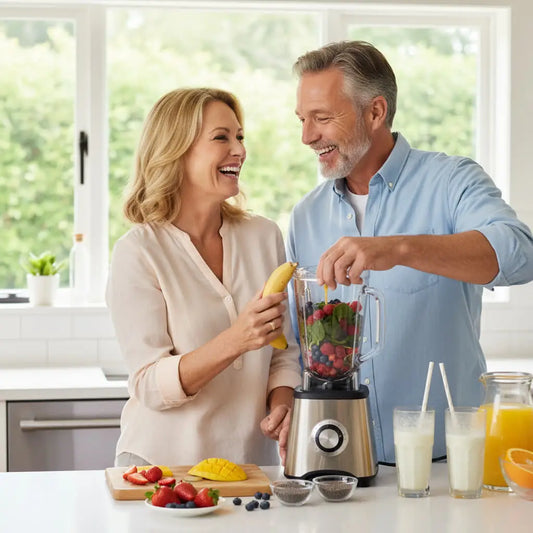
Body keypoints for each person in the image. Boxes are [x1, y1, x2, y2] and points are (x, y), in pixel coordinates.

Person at [286, 41, 533, 464]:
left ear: (376, 112)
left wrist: (400, 248)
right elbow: (299, 345)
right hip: (340, 466)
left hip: (448, 468)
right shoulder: (306, 216)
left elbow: (520, 253)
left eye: (322, 118)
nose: (308, 136)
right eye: (303, 120)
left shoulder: (452, 180)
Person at [106, 87, 301, 468]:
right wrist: (236, 339)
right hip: (159, 469)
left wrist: (283, 404)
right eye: (221, 138)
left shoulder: (263, 237)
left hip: (248, 468)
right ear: (177, 150)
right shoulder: (139, 252)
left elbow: (283, 353)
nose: (240, 150)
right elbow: (149, 384)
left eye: (240, 137)